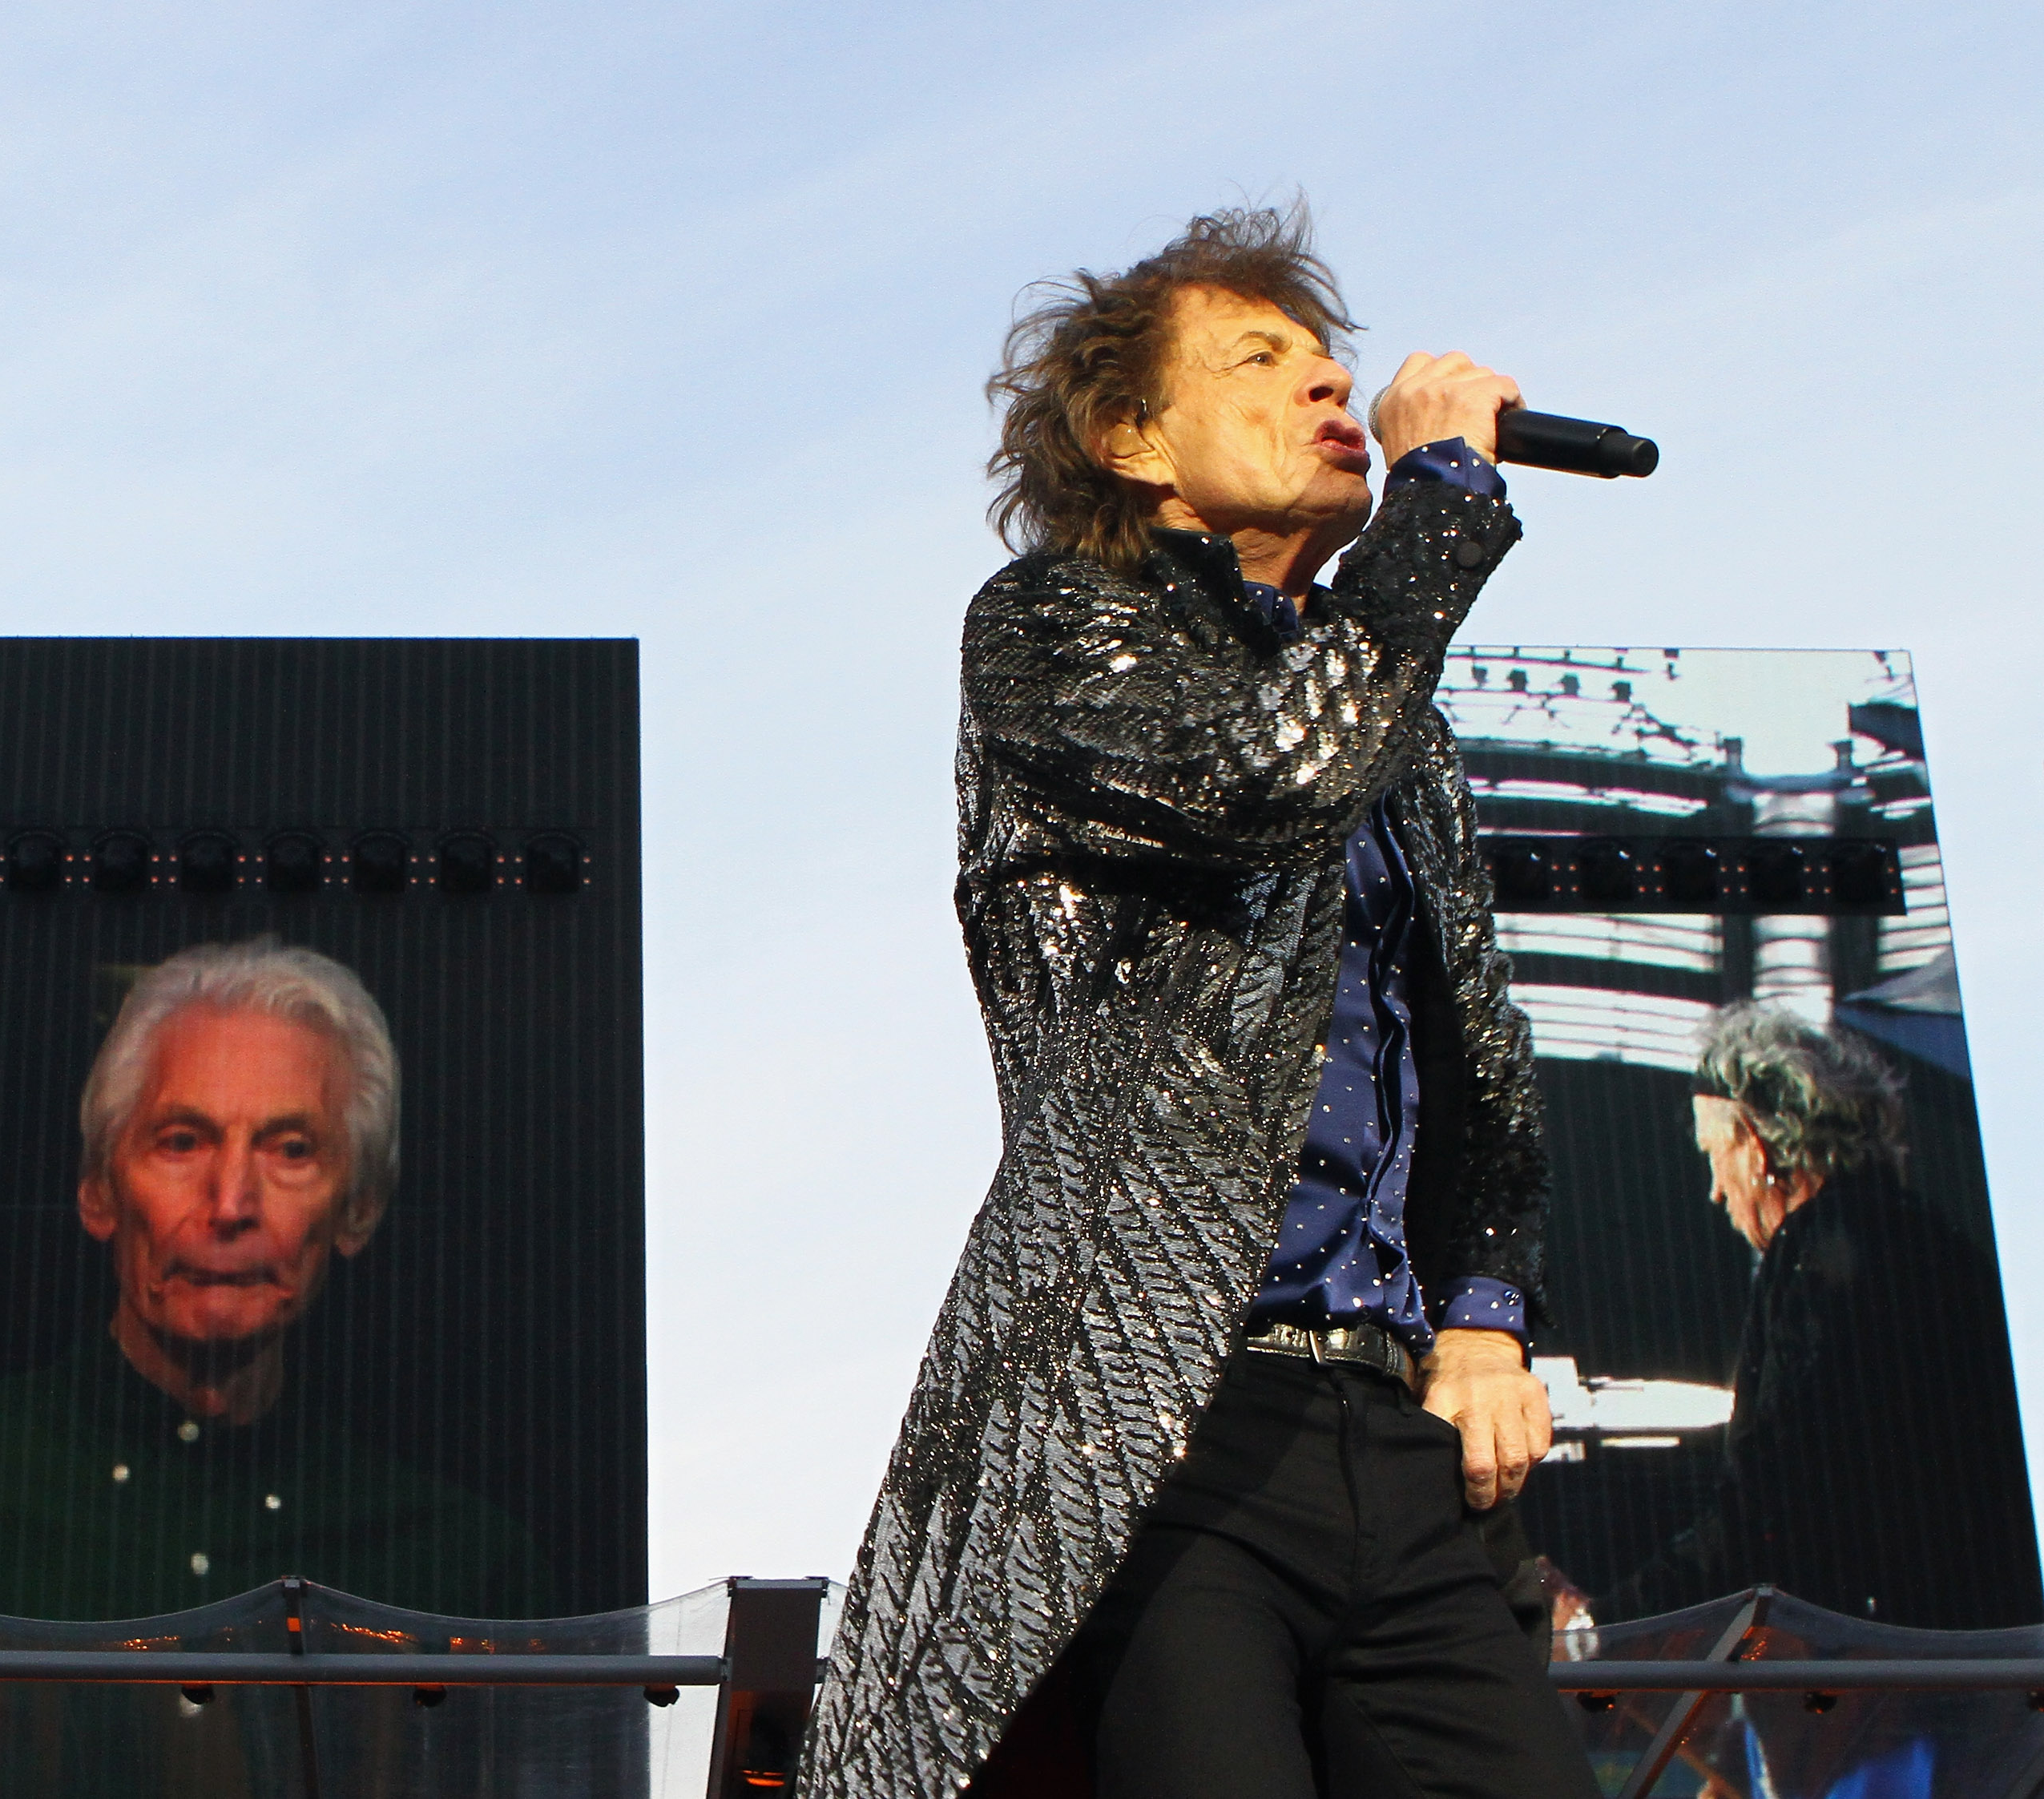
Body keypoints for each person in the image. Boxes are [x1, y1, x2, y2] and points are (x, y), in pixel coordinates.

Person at [804, 204, 1594, 1799]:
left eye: (1336, 369)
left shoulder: (1395, 726)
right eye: (1266, 364)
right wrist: (1440, 493)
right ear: (1130, 435)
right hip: (1163, 1436)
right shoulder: (1046, 634)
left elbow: (1483, 1066)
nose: (1333, 396)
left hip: (1398, 1432)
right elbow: (1263, 780)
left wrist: (1491, 1315)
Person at [0, 938, 550, 1620]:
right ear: (99, 1190)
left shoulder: (460, 1576)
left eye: (290, 1150)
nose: (230, 1204)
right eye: (182, 1142)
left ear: (359, 1209)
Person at [1604, 1002, 2039, 1629]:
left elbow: (1770, 1503)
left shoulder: (1816, 1256)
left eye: (1711, 1154)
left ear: (1754, 1147)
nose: (1715, 1191)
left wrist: (1609, 1624)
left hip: (1894, 1668)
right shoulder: (1940, 1243)